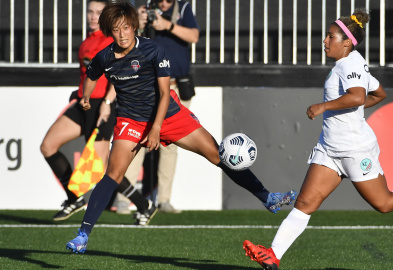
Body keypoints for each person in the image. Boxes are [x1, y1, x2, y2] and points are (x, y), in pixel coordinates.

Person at [65, 0, 296, 254]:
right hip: (131, 119)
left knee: (217, 154)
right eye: (117, 29)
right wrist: (86, 97)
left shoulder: (153, 50)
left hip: (169, 115)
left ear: (135, 27)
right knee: (114, 173)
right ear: (110, 31)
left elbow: (165, 94)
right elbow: (91, 75)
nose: (122, 34)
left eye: (127, 28)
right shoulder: (105, 57)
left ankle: (266, 197)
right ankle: (83, 234)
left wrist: (155, 130)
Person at [243, 9, 393, 270]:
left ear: (346, 42)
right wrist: (349, 109)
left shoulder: (349, 63)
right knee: (305, 203)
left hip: (354, 150)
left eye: (330, 37)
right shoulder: (351, 62)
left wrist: (324, 107)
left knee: (384, 203)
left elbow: (359, 96)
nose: (325, 41)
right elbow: (378, 93)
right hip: (330, 149)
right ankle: (273, 255)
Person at [41, 0, 158, 224]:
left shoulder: (112, 39)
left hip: (104, 106)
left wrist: (107, 101)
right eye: (90, 12)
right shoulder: (86, 43)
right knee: (48, 145)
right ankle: (74, 197)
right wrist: (79, 95)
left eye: (98, 12)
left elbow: (120, 73)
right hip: (84, 105)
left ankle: (144, 205)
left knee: (107, 167)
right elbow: (87, 76)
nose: (94, 16)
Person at [115, 0, 200, 214]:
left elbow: (194, 36)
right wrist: (140, 23)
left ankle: (164, 199)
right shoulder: (142, 9)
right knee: (137, 137)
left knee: (171, 145)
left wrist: (167, 25)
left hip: (177, 85)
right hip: (147, 85)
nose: (163, 3)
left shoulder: (182, 8)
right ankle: (124, 198)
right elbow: (125, 42)